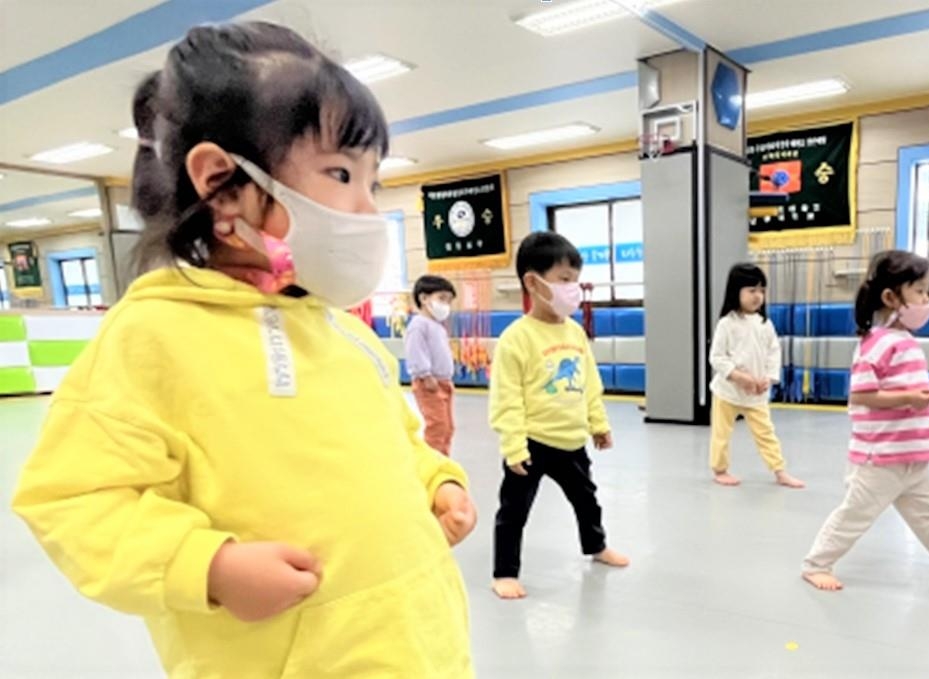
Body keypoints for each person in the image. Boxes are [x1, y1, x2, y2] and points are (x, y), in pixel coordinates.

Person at [11, 22, 476, 677]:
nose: (366, 208)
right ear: (221, 181)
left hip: (420, 647)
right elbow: (71, 498)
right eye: (341, 173)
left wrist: (438, 481)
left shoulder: (343, 330)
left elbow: (397, 438)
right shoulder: (153, 337)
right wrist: (209, 565)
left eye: (373, 181)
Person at [802, 250, 929, 591]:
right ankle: (816, 563)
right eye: (920, 291)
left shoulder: (904, 340)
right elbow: (862, 396)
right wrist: (908, 398)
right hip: (880, 458)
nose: (927, 300)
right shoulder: (876, 344)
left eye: (927, 291)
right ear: (891, 297)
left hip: (911, 456)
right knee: (855, 514)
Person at [489, 231, 629, 600]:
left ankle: (596, 547)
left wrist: (598, 424)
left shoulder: (576, 332)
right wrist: (513, 445)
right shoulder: (516, 338)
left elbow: (589, 383)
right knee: (514, 511)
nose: (573, 288)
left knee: (588, 501)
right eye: (564, 280)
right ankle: (505, 572)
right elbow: (507, 398)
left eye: (575, 280)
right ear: (533, 283)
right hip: (531, 445)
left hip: (571, 440)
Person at [708, 263, 804, 488]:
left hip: (756, 394)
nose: (758, 296)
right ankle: (720, 469)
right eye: (751, 290)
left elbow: (773, 352)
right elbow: (717, 357)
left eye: (761, 290)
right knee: (721, 434)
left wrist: (768, 379)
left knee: (766, 433)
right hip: (727, 392)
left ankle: (779, 471)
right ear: (736, 291)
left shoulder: (765, 324)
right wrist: (740, 377)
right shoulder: (727, 324)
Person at [406, 274, 458, 455]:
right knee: (437, 426)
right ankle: (433, 463)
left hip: (444, 381)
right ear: (424, 298)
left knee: (448, 427)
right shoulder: (419, 325)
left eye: (449, 301)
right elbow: (416, 352)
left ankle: (443, 458)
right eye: (441, 298)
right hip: (430, 384)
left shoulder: (437, 325)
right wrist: (425, 375)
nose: (446, 305)